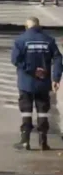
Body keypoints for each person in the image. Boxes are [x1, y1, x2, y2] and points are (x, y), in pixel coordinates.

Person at [11, 17, 62, 151]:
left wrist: (32, 70)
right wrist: (56, 78)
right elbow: (58, 58)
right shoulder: (48, 40)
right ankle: (43, 141)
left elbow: (15, 60)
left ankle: (25, 140)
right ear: (39, 26)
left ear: (26, 27)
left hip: (26, 82)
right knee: (42, 111)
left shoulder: (21, 40)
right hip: (43, 82)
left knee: (26, 110)